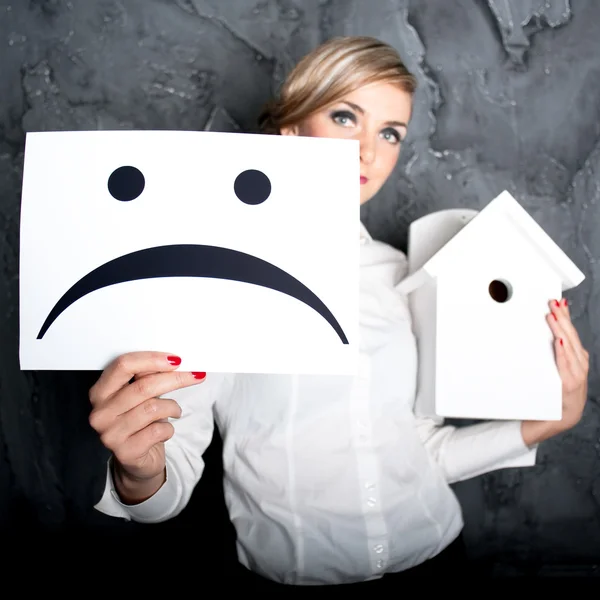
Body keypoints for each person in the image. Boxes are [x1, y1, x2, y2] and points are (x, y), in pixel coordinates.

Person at [89, 36, 589, 587]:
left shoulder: (402, 274)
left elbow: (422, 448)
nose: (369, 153)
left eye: (390, 133)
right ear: (293, 130)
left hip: (440, 563)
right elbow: (165, 488)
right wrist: (139, 471)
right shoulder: (210, 277)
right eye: (345, 116)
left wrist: (551, 421)